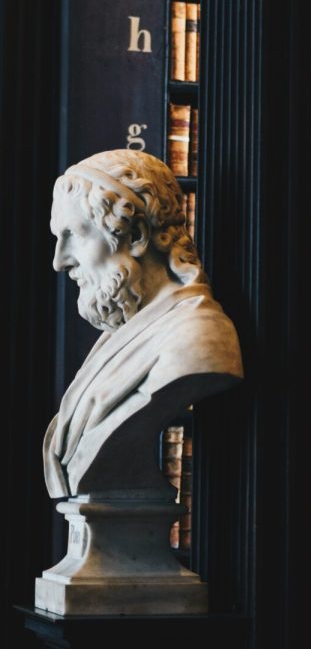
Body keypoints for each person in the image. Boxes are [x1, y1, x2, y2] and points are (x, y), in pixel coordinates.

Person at [43, 148, 243, 500]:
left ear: (135, 234)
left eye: (74, 235)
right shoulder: (120, 334)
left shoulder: (198, 338)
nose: (60, 261)